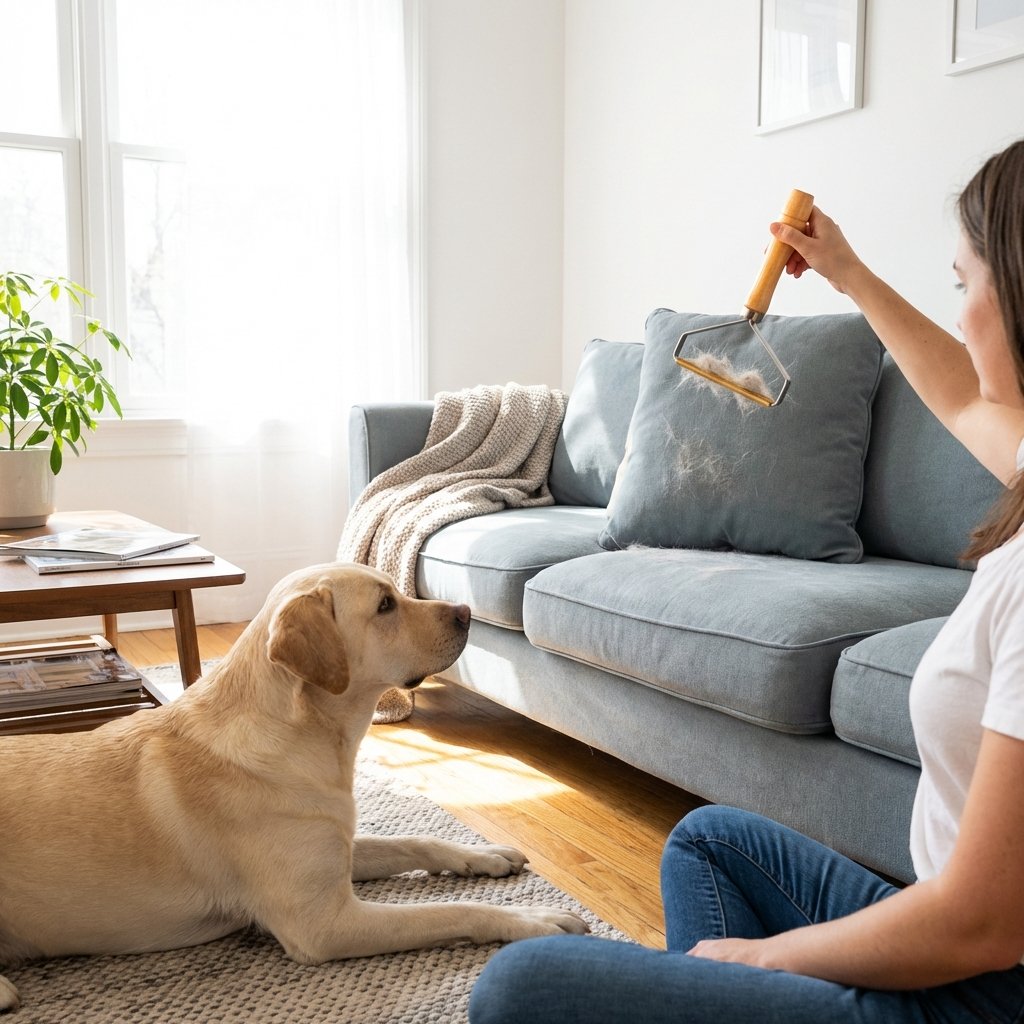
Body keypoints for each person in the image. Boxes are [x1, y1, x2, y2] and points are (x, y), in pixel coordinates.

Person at [468, 137, 1024, 1023]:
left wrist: (766, 958)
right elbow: (959, 396)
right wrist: (844, 271)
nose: (959, 316)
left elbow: (980, 927)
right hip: (962, 949)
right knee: (710, 842)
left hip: (979, 991)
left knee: (518, 987)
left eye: (966, 285)